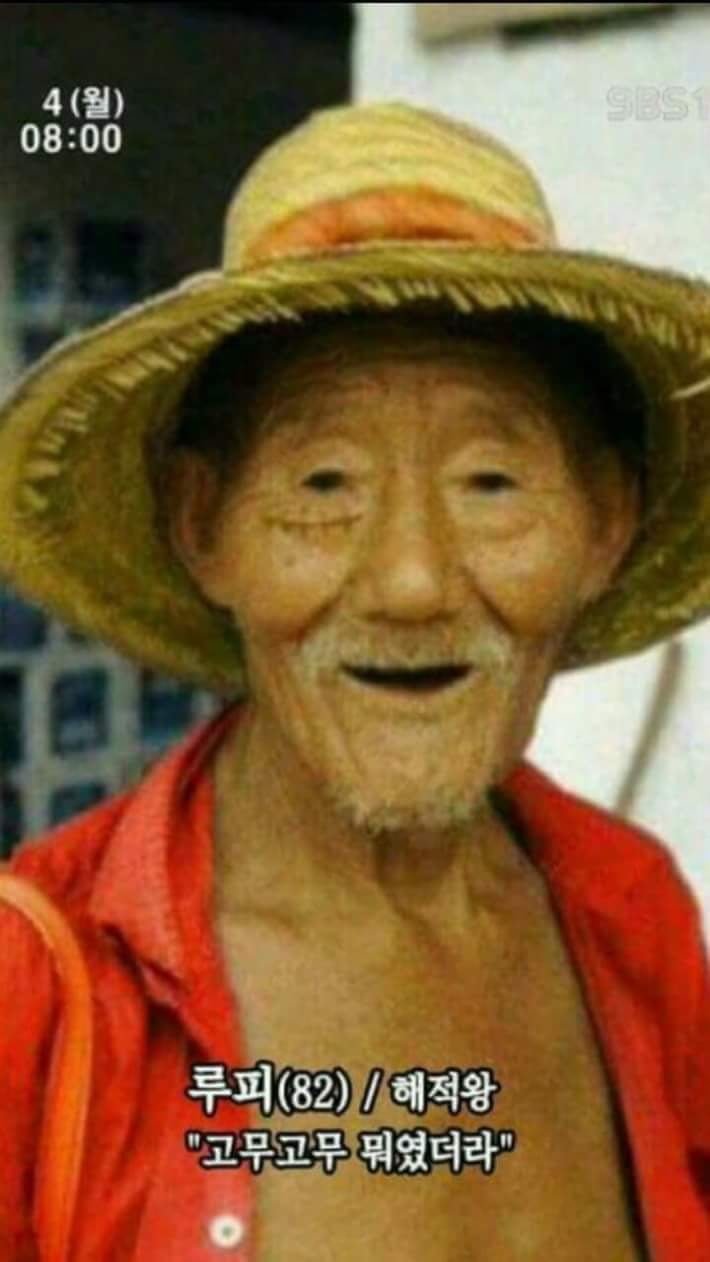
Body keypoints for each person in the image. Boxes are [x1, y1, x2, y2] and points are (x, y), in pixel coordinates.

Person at [0, 101, 707, 1261]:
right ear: (200, 524)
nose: (412, 581)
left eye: (489, 482)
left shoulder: (635, 916)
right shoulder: (34, 989)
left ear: (604, 522)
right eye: (323, 483)